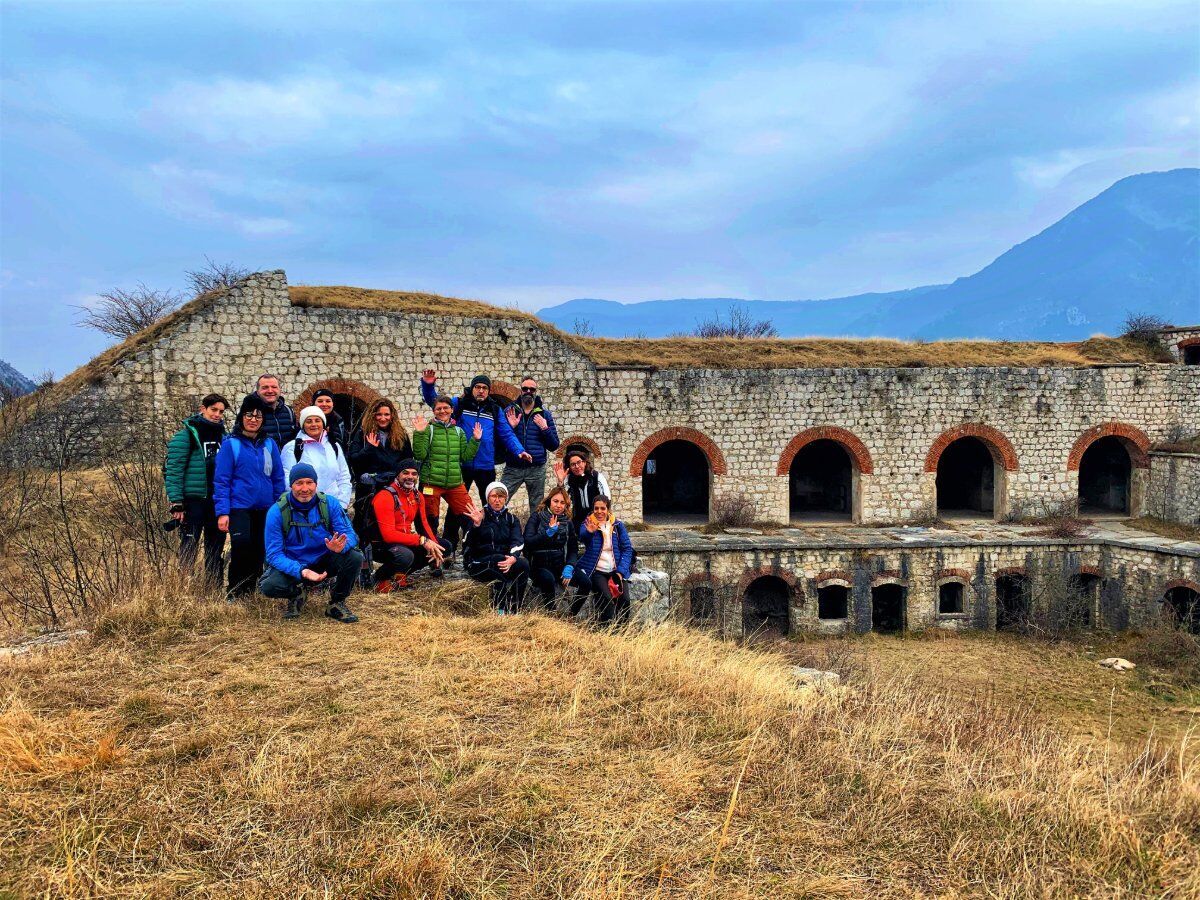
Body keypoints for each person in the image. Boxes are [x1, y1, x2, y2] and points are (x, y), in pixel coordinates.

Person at [259, 463, 362, 622]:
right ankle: (297, 593)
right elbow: (273, 555)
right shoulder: (277, 511)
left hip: (325, 558)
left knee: (355, 557)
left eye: (309, 482)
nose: (305, 488)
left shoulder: (330, 504)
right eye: (299, 483)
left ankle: (337, 603)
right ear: (291, 485)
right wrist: (301, 571)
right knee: (269, 586)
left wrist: (341, 547)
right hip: (294, 563)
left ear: (316, 483)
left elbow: (350, 535)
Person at [420, 370, 531, 506]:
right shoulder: (459, 404)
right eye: (477, 387)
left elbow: (506, 433)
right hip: (462, 464)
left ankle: (486, 527)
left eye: (484, 388)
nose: (481, 391)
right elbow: (436, 403)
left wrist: (519, 450)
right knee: (457, 506)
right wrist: (428, 385)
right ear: (472, 388)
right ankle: (453, 528)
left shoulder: (495, 410)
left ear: (488, 391)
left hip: (486, 465)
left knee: (489, 504)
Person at [213, 394, 286, 598]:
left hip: (266, 508)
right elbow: (221, 480)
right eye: (249, 415)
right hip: (239, 507)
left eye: (258, 416)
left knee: (260, 548)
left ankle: (253, 590)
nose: (253, 419)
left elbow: (278, 478)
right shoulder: (231, 445)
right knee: (241, 545)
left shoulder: (269, 445)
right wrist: (222, 512)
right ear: (241, 417)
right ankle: (235, 591)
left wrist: (279, 506)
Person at [164, 393, 229, 587]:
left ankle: (213, 589)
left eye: (221, 412)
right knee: (189, 546)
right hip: (193, 500)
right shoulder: (185, 436)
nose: (217, 415)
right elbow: (173, 469)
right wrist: (176, 502)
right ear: (203, 409)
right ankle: (183, 588)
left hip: (216, 500)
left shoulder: (224, 437)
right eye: (213, 410)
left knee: (215, 547)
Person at [410, 397, 482, 554]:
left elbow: (465, 456)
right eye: (438, 409)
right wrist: (419, 433)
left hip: (455, 483)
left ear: (452, 410)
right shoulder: (429, 430)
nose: (442, 411)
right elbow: (419, 455)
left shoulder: (459, 431)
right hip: (431, 483)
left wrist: (475, 440)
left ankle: (471, 551)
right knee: (430, 521)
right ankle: (433, 558)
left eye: (445, 408)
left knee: (470, 517)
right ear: (434, 411)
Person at [371, 459, 452, 591]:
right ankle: (379, 578)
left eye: (414, 474)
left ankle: (400, 575)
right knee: (406, 555)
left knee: (444, 546)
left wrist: (433, 545)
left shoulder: (417, 495)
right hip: (380, 544)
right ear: (398, 475)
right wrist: (421, 540)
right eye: (405, 473)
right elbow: (388, 535)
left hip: (403, 539)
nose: (410, 477)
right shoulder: (385, 496)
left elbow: (423, 524)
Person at [463, 482, 530, 613]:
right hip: (479, 562)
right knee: (499, 562)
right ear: (488, 498)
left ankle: (516, 608)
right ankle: (500, 610)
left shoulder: (511, 519)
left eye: (501, 496)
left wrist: (513, 557)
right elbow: (468, 543)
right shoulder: (478, 516)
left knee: (523, 564)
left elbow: (518, 540)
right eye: (494, 496)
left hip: (503, 560)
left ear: (506, 498)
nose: (497, 500)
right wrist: (476, 525)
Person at [347, 397, 412, 529]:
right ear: (373, 415)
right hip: (368, 488)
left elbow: (407, 460)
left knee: (391, 523)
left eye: (386, 414)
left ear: (392, 415)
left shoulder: (400, 436)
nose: (383, 418)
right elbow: (353, 459)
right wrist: (368, 449)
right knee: (365, 523)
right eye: (379, 414)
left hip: (393, 486)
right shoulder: (362, 434)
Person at [500, 376, 560, 515]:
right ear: (521, 391)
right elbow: (500, 439)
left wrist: (545, 428)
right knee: (500, 498)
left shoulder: (545, 415)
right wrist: (511, 427)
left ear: (535, 392)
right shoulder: (510, 412)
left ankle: (533, 535)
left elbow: (554, 445)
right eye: (525, 388)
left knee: (537, 507)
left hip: (536, 468)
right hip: (513, 467)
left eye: (531, 389)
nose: (528, 391)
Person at [573, 495, 633, 624]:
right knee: (606, 599)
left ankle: (622, 631)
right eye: (596, 508)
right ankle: (605, 632)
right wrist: (589, 532)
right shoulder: (588, 523)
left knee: (625, 600)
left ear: (608, 509)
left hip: (616, 570)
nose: (599, 511)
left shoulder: (617, 525)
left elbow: (627, 549)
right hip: (597, 571)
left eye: (602, 508)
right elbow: (583, 537)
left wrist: (620, 571)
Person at [282, 405, 352, 507]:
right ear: (303, 425)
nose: (314, 424)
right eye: (309, 421)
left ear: (323, 423)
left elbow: (344, 477)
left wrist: (342, 504)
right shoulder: (293, 447)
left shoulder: (334, 446)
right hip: (305, 507)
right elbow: (287, 478)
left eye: (317, 420)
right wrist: (305, 501)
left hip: (334, 506)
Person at [522, 486, 577, 610]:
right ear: (549, 501)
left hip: (559, 565)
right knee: (548, 579)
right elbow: (528, 542)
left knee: (585, 582)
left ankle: (572, 615)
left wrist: (570, 565)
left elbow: (573, 548)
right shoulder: (537, 516)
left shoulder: (567, 521)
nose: (558, 505)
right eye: (555, 501)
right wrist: (547, 534)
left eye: (562, 503)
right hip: (538, 565)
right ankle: (551, 614)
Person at [553, 449, 611, 548]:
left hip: (597, 516)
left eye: (579, 462)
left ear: (584, 462)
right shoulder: (569, 479)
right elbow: (562, 498)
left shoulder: (597, 477)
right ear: (570, 467)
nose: (577, 466)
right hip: (578, 520)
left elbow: (606, 499)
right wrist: (560, 482)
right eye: (573, 464)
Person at [243, 374, 298, 447]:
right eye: (265, 387)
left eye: (274, 387)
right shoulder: (249, 413)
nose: (270, 391)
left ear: (279, 390)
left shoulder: (289, 411)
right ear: (257, 391)